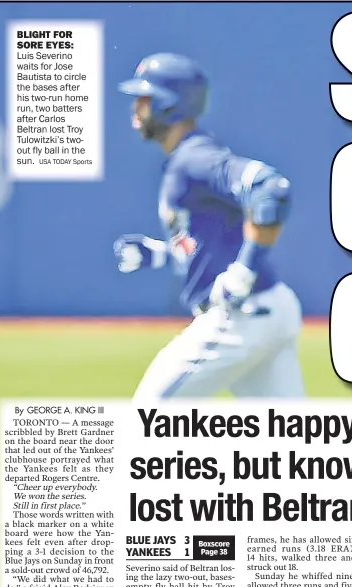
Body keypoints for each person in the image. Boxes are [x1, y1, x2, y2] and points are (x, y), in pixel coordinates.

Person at [114, 53, 306, 399]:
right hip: (269, 308)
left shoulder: (194, 157)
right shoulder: (186, 157)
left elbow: (271, 190)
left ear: (170, 105)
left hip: (242, 316)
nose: (136, 109)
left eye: (145, 99)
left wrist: (243, 272)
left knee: (147, 419)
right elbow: (207, 245)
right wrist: (160, 254)